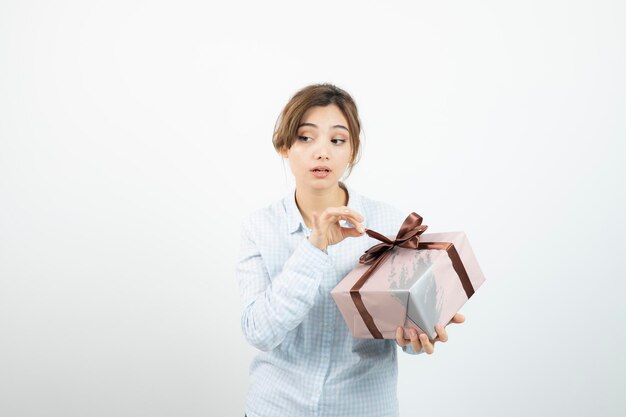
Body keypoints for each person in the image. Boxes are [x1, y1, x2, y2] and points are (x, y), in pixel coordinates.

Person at [236, 83, 465, 417]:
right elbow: (259, 332)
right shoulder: (258, 227)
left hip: (363, 407)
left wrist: (418, 331)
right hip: (276, 407)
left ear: (352, 151)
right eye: (305, 137)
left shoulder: (389, 223)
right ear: (284, 145)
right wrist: (314, 247)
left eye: (337, 140)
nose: (322, 152)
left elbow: (401, 328)